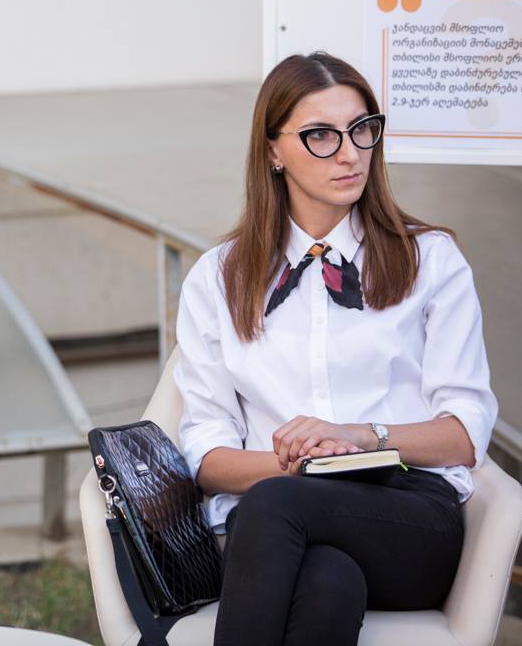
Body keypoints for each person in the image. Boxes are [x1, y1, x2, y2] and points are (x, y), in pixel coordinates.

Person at [174, 52, 497, 646]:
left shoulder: (431, 260)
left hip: (405, 518)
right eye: (321, 135)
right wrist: (302, 466)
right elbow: (207, 454)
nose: (350, 154)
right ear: (272, 152)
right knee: (327, 582)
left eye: (361, 129)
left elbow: (466, 431)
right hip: (283, 526)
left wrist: (358, 436)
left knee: (274, 506)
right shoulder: (218, 277)